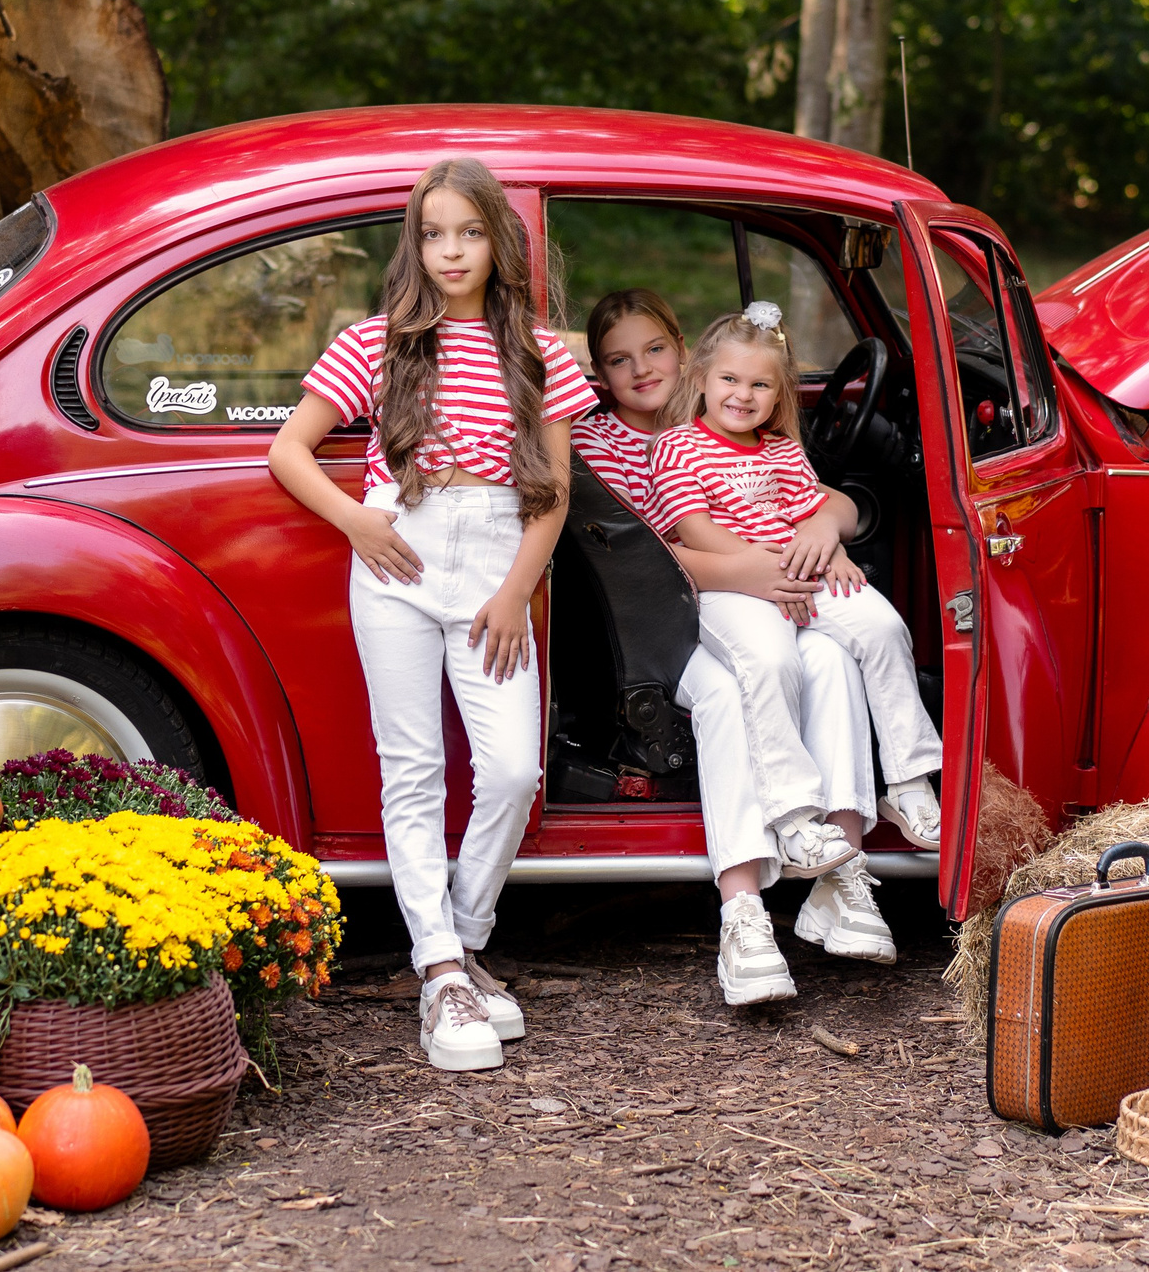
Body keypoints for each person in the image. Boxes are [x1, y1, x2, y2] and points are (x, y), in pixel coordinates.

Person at [268, 159, 600, 1073]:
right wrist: (355, 522)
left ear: (500, 240)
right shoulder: (376, 340)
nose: (451, 251)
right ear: (414, 244)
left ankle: (458, 937)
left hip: (496, 561)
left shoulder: (538, 350)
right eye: (433, 233)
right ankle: (445, 973)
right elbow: (289, 451)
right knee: (412, 768)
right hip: (399, 558)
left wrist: (513, 593)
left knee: (509, 771)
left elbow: (556, 495)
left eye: (470, 232)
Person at [575, 290, 899, 1001]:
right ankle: (743, 906)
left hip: (765, 598)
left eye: (655, 349)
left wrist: (826, 528)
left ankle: (842, 868)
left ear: (685, 352)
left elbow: (821, 500)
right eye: (619, 360)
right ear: (599, 373)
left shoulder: (737, 424)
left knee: (833, 656)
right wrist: (757, 570)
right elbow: (631, 556)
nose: (642, 369)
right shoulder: (598, 442)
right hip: (670, 624)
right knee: (724, 693)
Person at [649, 302, 947, 870]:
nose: (743, 395)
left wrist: (828, 548)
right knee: (771, 662)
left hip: (800, 576)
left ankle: (909, 781)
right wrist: (766, 572)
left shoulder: (781, 449)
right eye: (730, 380)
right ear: (702, 380)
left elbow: (815, 512)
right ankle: (792, 816)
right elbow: (694, 529)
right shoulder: (677, 446)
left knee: (884, 627)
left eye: (760, 384)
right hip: (733, 589)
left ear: (779, 393)